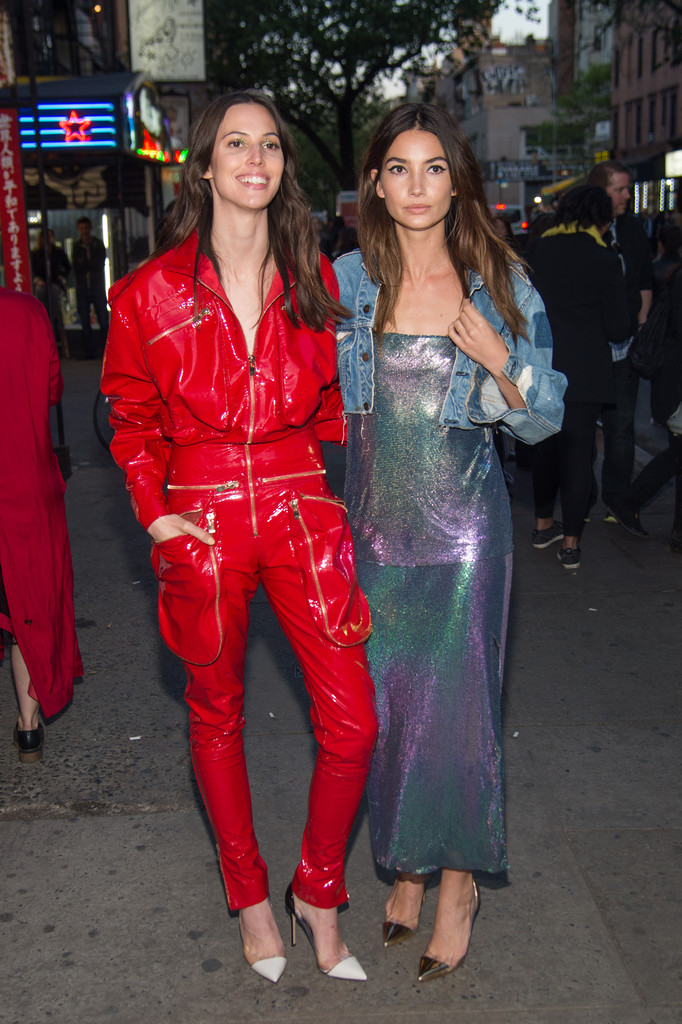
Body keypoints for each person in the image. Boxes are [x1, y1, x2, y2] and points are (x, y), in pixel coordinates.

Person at [100, 91, 377, 985]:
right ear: (207, 165)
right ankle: (250, 893)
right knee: (214, 712)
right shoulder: (149, 291)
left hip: (301, 509)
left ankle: (320, 890)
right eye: (235, 144)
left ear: (283, 167)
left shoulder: (317, 282)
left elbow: (336, 406)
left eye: (269, 146)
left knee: (354, 722)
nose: (254, 159)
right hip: (203, 515)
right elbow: (130, 414)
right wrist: (154, 509)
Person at [334, 104, 566, 982]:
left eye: (435, 168)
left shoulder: (498, 279)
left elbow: (544, 420)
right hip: (376, 537)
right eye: (400, 168)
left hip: (468, 534)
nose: (418, 186)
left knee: (461, 718)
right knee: (390, 715)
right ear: (376, 183)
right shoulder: (349, 281)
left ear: (458, 182)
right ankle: (408, 863)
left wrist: (501, 360)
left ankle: (458, 882)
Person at [526, 186, 630, 569]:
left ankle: (541, 526)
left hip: (541, 366)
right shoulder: (604, 257)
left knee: (545, 450)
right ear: (603, 219)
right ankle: (570, 544)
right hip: (585, 371)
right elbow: (619, 327)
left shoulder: (537, 250)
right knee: (578, 455)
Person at [0, 287, 82, 762]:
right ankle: (28, 725)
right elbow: (52, 390)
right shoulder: (29, 311)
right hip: (24, 484)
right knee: (26, 607)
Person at [585, 161, 654, 513]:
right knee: (580, 433)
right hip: (588, 349)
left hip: (626, 346)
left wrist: (641, 325)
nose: (627, 196)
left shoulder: (633, 229)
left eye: (627, 189)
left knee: (621, 427)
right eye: (619, 189)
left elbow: (644, 279)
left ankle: (617, 500)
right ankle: (581, 499)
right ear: (600, 191)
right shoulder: (581, 232)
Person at [608, 241, 682, 552]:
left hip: (673, 378)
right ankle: (629, 501)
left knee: (678, 455)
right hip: (676, 380)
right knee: (676, 455)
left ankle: (635, 505)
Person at [72, 216, 109, 359]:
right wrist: (87, 264)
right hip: (82, 287)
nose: (84, 231)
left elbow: (98, 264)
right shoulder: (77, 246)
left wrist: (86, 263)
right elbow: (77, 267)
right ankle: (90, 351)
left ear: (90, 229)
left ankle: (107, 352)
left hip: (97, 286)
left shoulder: (98, 245)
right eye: (81, 229)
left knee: (103, 320)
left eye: (86, 228)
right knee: (85, 322)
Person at [31, 227, 71, 352]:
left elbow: (68, 267)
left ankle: (51, 319)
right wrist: (37, 279)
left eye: (49, 236)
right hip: (42, 284)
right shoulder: (36, 253)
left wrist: (62, 277)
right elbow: (32, 269)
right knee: (41, 292)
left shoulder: (58, 252)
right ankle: (46, 318)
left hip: (55, 283)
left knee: (53, 293)